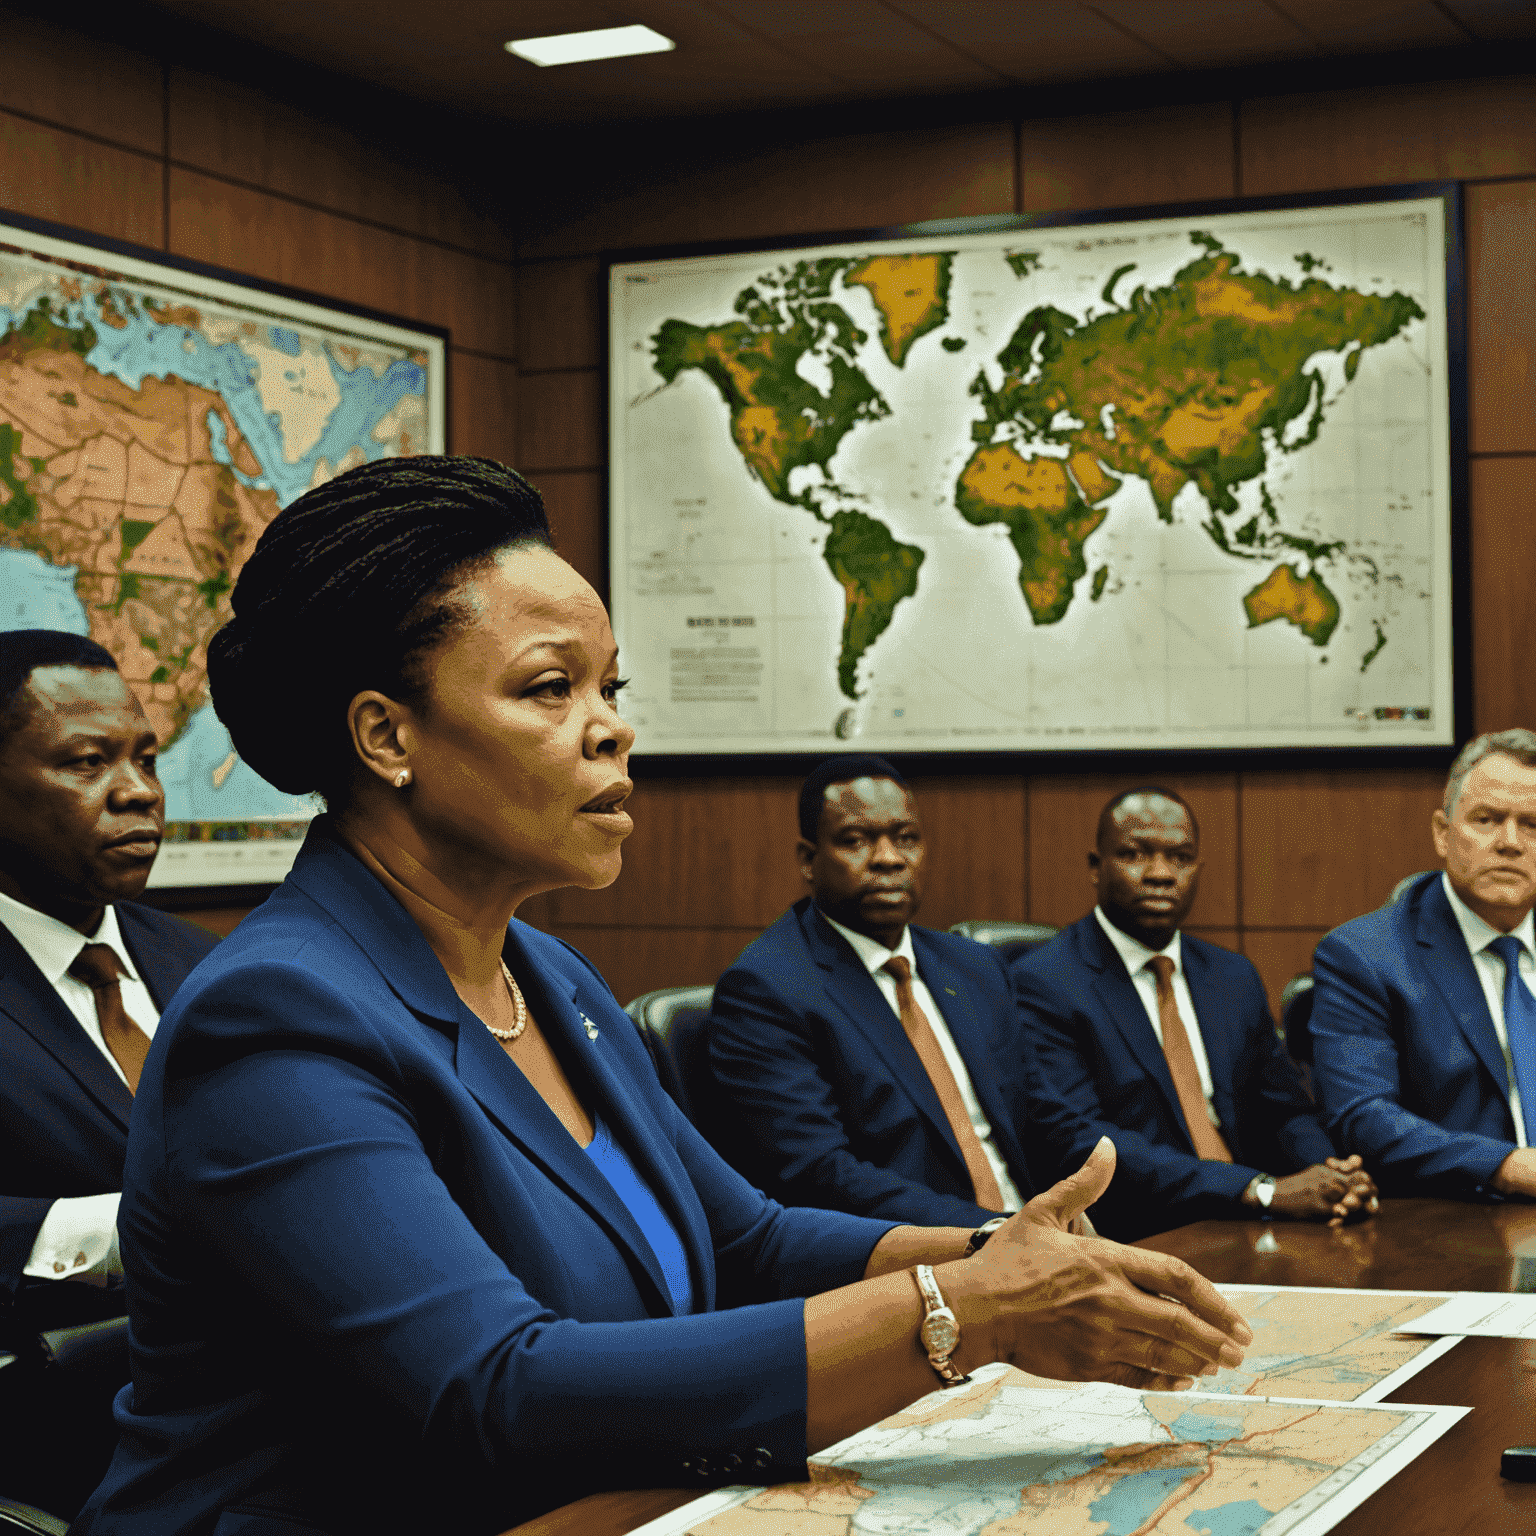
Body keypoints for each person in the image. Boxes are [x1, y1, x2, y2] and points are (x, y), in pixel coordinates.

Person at [74, 458, 1250, 1536]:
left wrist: (1001, 1247)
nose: (614, 727)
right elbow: (494, 1387)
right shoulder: (275, 1017)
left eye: (611, 684)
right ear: (387, 735)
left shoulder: (549, 973)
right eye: (550, 689)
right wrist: (964, 1311)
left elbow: (747, 1239)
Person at [0, 629, 219, 1517]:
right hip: (64, 1434)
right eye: (87, 761)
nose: (138, 792)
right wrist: (123, 1231)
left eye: (145, 758)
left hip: (265, 1404)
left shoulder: (209, 966)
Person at [1015, 787, 1376, 1242]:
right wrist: (1257, 1190)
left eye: (1180, 857)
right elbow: (1084, 1143)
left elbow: (1284, 1111)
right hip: (1139, 1229)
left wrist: (1330, 1173)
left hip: (1256, 1221)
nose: (1161, 874)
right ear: (1095, 867)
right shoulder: (1046, 982)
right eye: (1135, 854)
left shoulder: (1231, 976)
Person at [706, 758, 1042, 1227]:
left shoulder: (975, 966)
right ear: (808, 860)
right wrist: (992, 1231)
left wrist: (1075, 1204)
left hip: (1042, 1237)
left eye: (906, 838)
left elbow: (1044, 1116)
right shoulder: (766, 990)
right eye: (856, 841)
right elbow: (819, 1173)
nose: (889, 859)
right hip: (909, 1258)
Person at [1310, 730, 1536, 1200]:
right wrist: (1508, 1166)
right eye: (1487, 819)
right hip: (1449, 1223)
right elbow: (1362, 1116)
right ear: (1442, 833)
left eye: (1533, 824)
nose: (1510, 843)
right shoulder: (1363, 956)